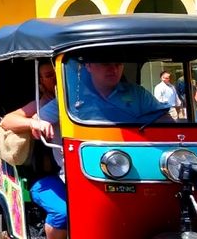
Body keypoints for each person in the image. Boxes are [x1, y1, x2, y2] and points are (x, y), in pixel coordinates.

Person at [37, 61, 172, 239]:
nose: (113, 68)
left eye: (118, 63)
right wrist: (37, 122)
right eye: (104, 63)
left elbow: (167, 123)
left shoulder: (136, 93)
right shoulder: (71, 98)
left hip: (137, 169)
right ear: (89, 66)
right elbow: (30, 119)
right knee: (66, 214)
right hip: (83, 175)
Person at [0, 62, 63, 239]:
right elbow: (7, 121)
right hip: (45, 174)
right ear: (41, 83)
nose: (57, 78)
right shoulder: (41, 104)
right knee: (63, 212)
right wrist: (34, 122)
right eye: (50, 75)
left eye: (60, 72)